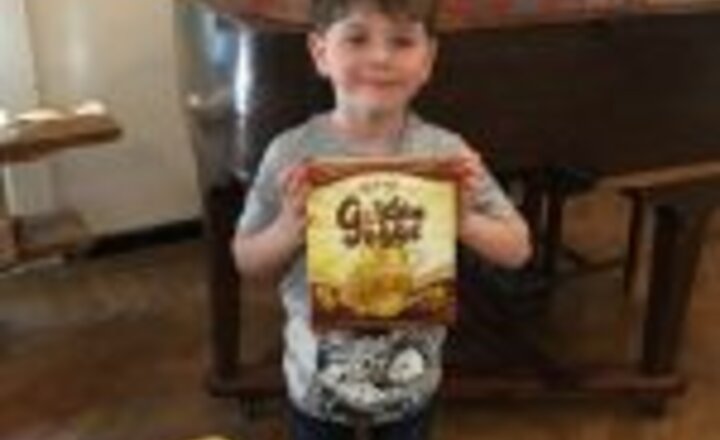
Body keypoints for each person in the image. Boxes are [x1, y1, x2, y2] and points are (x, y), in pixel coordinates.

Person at [232, 0, 532, 438]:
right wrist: (285, 231)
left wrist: (463, 221)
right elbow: (246, 259)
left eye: (402, 41)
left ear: (428, 60)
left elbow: (518, 248)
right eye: (357, 38)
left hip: (412, 385)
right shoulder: (290, 154)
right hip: (316, 386)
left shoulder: (448, 155)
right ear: (320, 52)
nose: (380, 57)